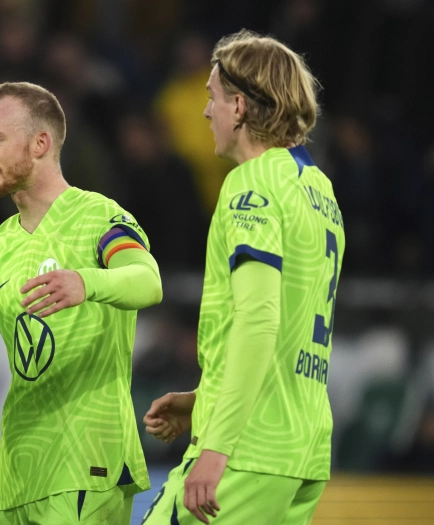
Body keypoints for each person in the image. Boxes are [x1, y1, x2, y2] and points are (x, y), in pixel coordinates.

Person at [141, 29, 342, 525]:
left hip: (247, 450)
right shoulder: (319, 190)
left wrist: (217, 446)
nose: (205, 111)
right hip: (302, 450)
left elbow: (259, 320)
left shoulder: (251, 185)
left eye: (212, 97)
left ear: (239, 106)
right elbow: (289, 330)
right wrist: (202, 400)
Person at [0, 81, 163, 524]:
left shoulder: (99, 217)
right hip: (18, 476)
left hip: (87, 464)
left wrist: (85, 282)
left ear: (40, 143)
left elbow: (148, 281)